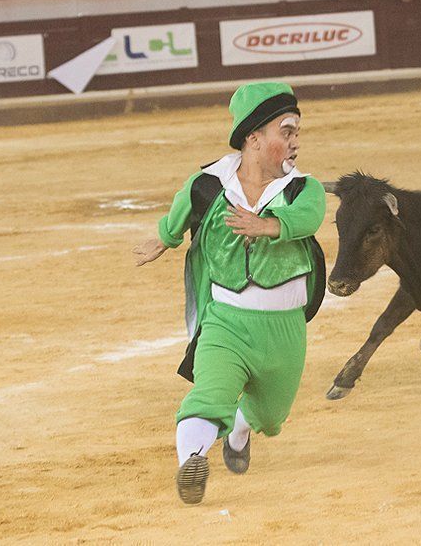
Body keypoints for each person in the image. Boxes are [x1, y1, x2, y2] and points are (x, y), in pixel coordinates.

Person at [133, 82, 326, 504]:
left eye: (297, 132)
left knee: (271, 415)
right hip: (226, 321)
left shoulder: (301, 189)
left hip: (283, 328)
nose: (296, 142)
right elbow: (181, 212)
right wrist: (163, 239)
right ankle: (193, 461)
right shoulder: (208, 184)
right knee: (207, 395)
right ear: (254, 138)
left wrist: (270, 226)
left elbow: (310, 216)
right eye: (287, 131)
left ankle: (241, 428)